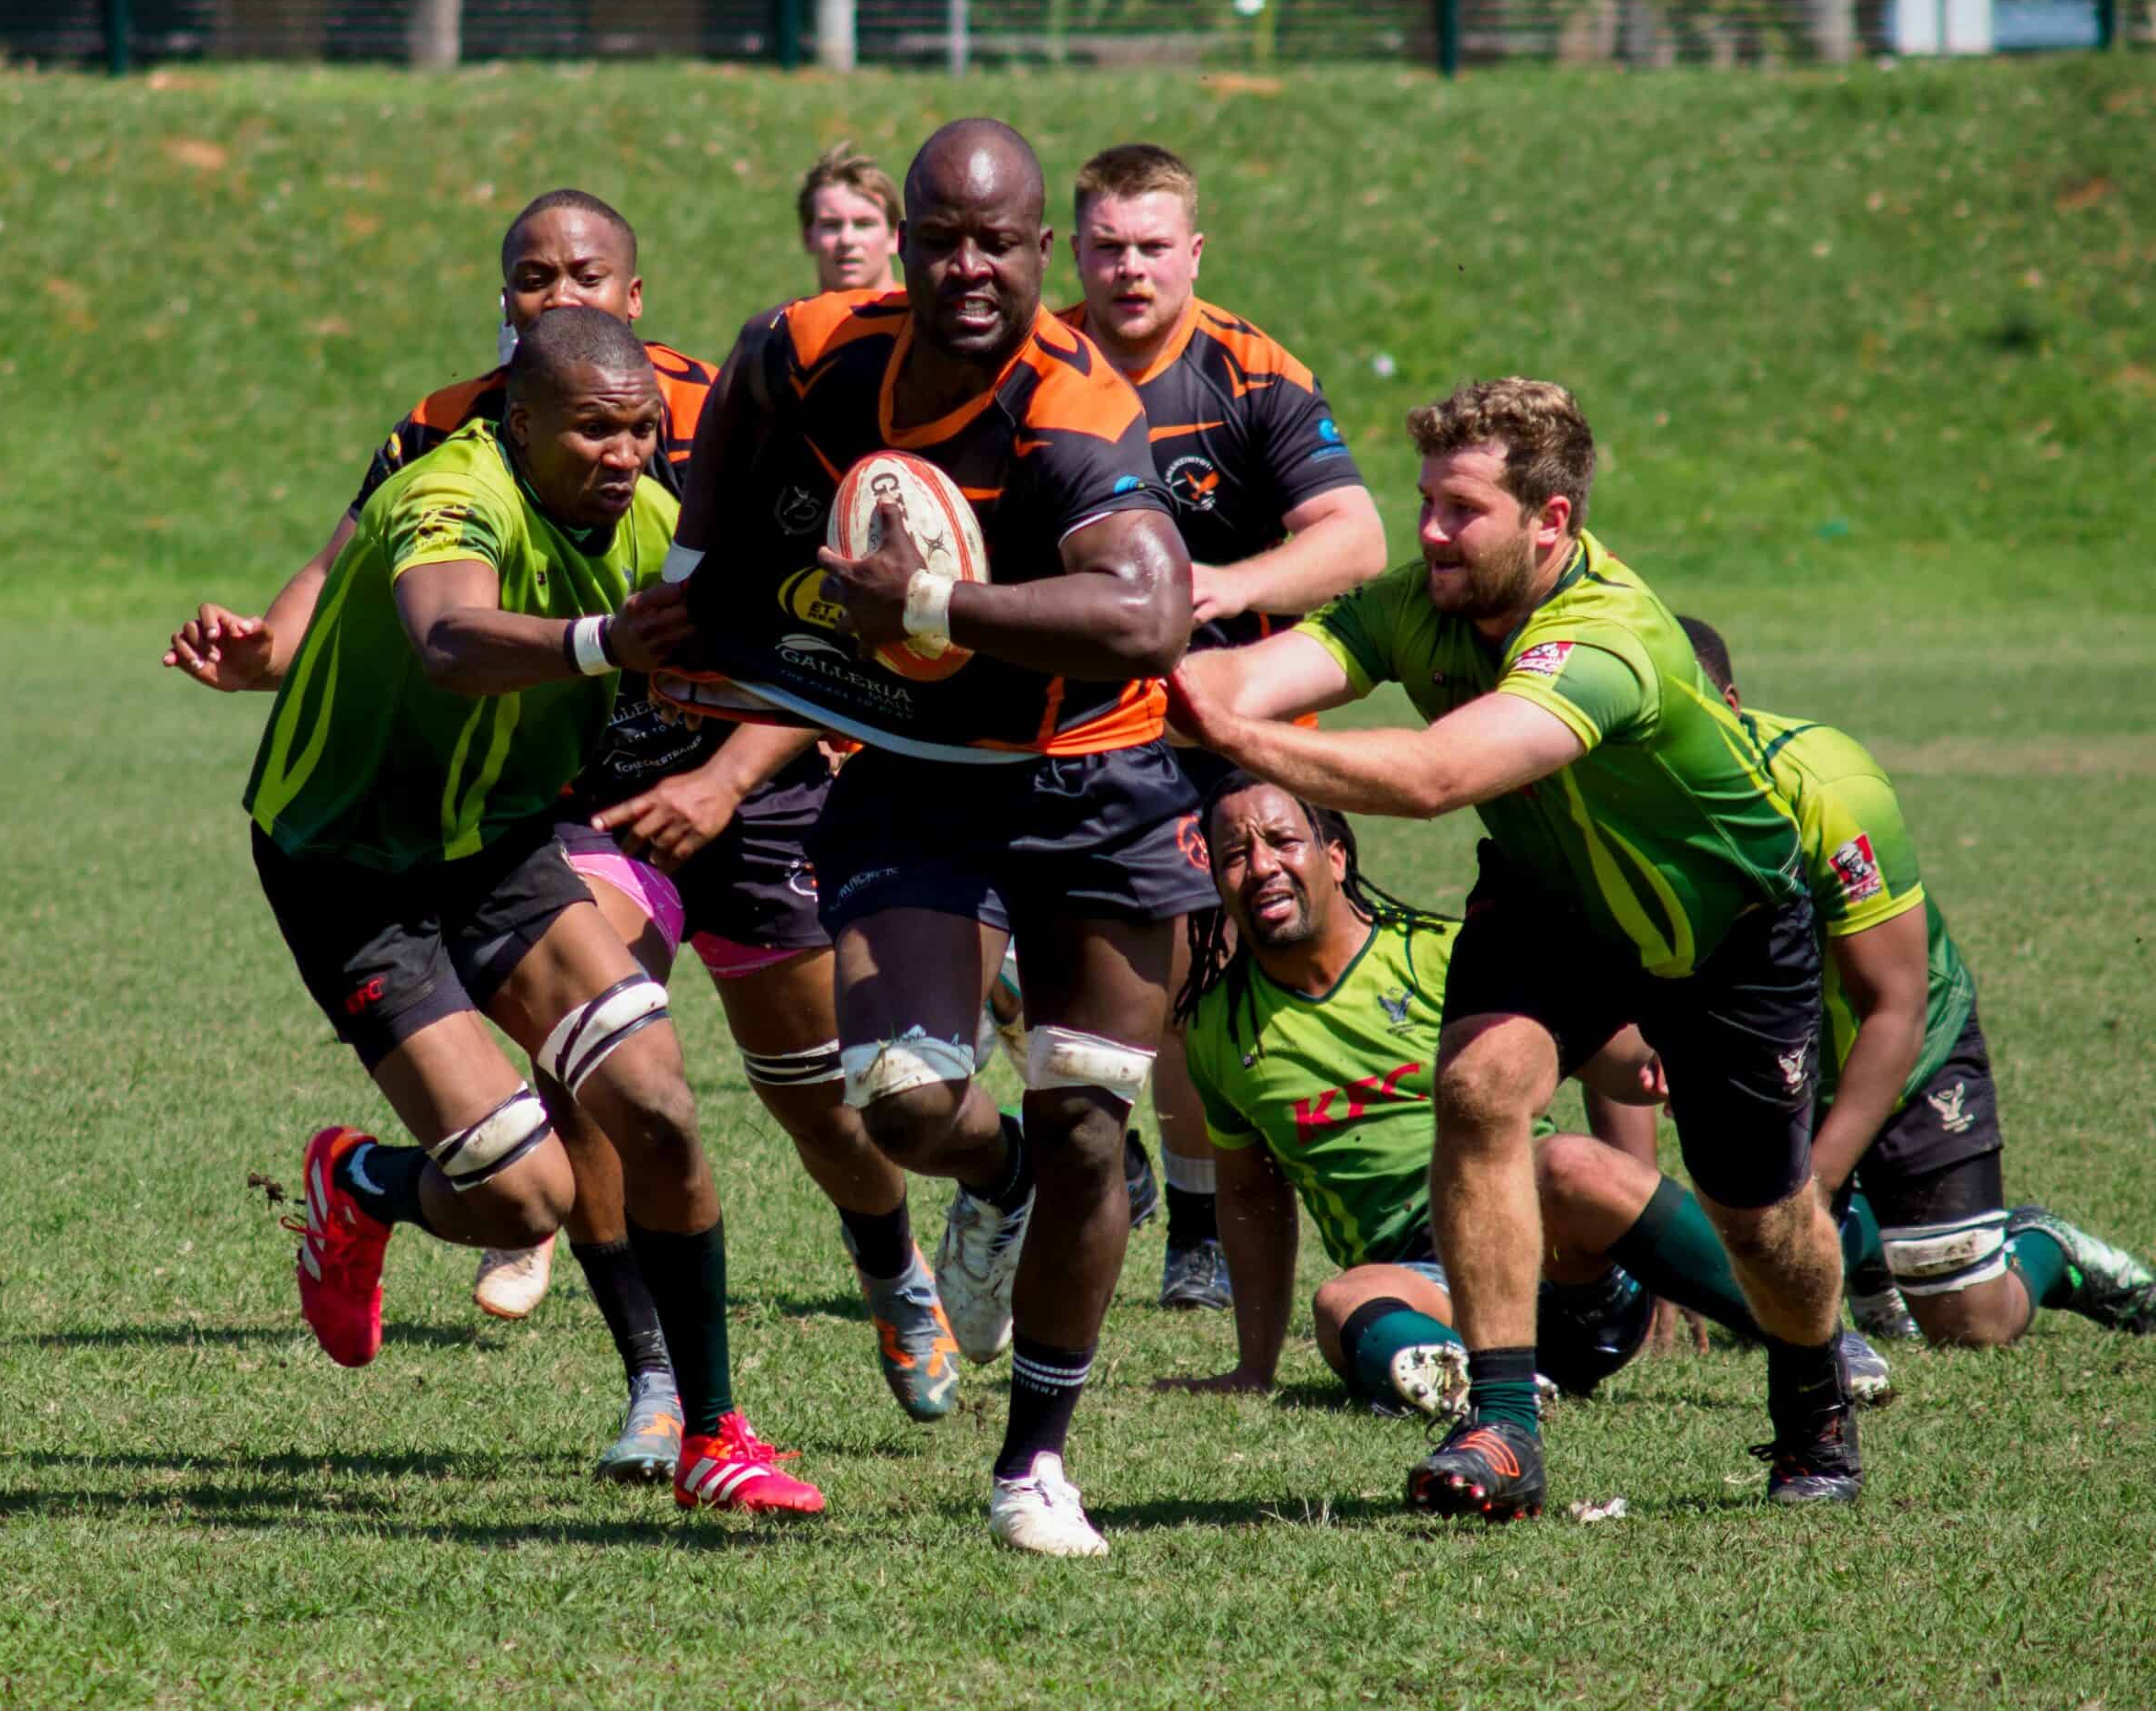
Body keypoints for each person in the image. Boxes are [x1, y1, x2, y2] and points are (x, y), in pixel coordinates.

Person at [169, 189, 959, 1447]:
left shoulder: (710, 424)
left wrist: (738, 773)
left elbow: (795, 651)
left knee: (816, 1097)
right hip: (568, 798)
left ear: (634, 300)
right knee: (608, 1085)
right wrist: (261, 648)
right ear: (508, 311)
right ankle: (665, 1388)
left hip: (748, 788)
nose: (558, 297)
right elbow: (379, 603)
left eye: (584, 276)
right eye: (531, 278)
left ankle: (894, 1273)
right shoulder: (448, 438)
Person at [1172, 377, 1860, 1518]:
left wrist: (1237, 736)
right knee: (1480, 1087)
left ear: (1551, 523)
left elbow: (1440, 778)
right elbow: (1259, 672)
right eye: (1425, 501)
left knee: (1762, 1221)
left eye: (1461, 511)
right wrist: (1174, 668)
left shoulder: (1604, 635)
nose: (1430, 532)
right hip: (1549, 900)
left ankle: (1811, 1392)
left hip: (1724, 931)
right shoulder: (1420, 605)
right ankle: (1501, 1426)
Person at [664, 118, 1208, 1555]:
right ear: (904, 240)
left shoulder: (1074, 411)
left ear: (1045, 253)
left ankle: (1034, 1459)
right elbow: (745, 371)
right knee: (905, 1097)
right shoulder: (825, 341)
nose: (970, 267)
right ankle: (998, 1177)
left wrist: (930, 609)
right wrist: (692, 567)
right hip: (916, 767)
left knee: (1090, 1112)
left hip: (1093, 777)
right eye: (941, 237)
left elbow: (1149, 616)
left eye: (999, 243)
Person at [241, 306, 823, 1515]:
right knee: (524, 1194)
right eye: (595, 432)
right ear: (520, 424)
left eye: (643, 433)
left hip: (501, 849)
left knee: (658, 1105)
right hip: (348, 863)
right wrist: (608, 639)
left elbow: (776, 662)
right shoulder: (450, 493)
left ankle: (716, 1433)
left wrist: (816, 679)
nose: (624, 456)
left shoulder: (652, 526)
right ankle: (362, 1185)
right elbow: (450, 637)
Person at [1153, 771, 1825, 1427]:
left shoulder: (1440, 956)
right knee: (1342, 1298)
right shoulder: (1218, 1030)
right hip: (1425, 1287)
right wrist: (1254, 1366)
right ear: (1215, 882)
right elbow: (1249, 1199)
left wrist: (1675, 1064)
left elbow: (1618, 1063)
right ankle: (1484, 1386)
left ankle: (1814, 1345)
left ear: (1334, 856)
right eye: (1235, 856)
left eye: (1282, 841)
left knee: (1567, 1163)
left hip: (1553, 1261)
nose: (1262, 865)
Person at [1061, 142, 1387, 1312]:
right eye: (1107, 247)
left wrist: (1221, 585)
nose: (1129, 270)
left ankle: (1209, 1228)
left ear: (1192, 251)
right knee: (1063, 975)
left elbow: (1355, 541)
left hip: (1236, 735)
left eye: (1153, 247)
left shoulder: (1253, 375)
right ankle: (1134, 1188)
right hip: (1080, 733)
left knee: (1212, 990)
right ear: (1073, 250)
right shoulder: (1036, 367)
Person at [1678, 616, 2155, 1345]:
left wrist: (1815, 1189)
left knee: (1970, 1325)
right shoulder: (1614, 800)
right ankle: (1863, 1243)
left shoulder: (1825, 783)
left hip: (1907, 1043)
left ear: (1732, 705)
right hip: (1766, 1060)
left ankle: (2046, 1250)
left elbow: (1894, 1007)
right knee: (1756, 1304)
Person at [799, 144, 900, 295]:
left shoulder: (926, 317)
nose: (847, 240)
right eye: (831, 225)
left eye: (864, 224)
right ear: (808, 238)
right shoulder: (788, 318)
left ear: (895, 237)